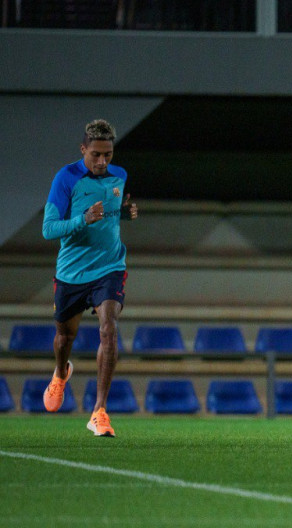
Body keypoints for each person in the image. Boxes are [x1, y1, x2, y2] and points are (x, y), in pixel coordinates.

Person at [41, 119, 138, 437]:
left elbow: (110, 212)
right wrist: (82, 220)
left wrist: (124, 212)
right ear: (83, 149)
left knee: (109, 331)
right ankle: (60, 372)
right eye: (96, 154)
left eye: (108, 155)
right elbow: (48, 229)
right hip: (71, 273)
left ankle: (99, 411)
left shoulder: (119, 176)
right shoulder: (66, 178)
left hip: (109, 267)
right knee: (64, 339)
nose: (102, 162)